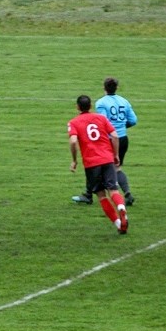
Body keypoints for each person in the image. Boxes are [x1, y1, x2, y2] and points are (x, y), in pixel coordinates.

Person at [68, 95, 128, 234]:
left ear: (77, 107)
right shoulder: (101, 118)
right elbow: (114, 135)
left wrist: (74, 160)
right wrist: (116, 154)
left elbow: (72, 141)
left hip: (91, 163)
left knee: (101, 195)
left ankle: (119, 224)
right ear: (90, 106)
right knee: (113, 190)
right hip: (107, 159)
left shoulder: (74, 122)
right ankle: (121, 207)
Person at [72, 77, 138, 206]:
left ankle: (88, 195)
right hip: (123, 138)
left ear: (104, 88)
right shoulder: (124, 101)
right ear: (116, 88)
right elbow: (133, 120)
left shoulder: (101, 103)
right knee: (117, 168)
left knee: (93, 164)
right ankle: (127, 193)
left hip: (108, 139)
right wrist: (122, 127)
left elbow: (103, 122)